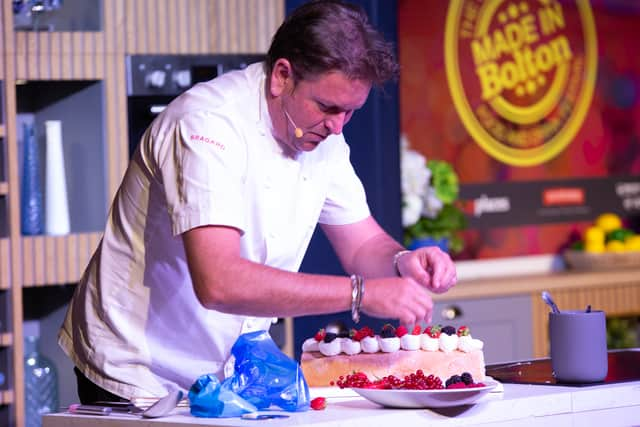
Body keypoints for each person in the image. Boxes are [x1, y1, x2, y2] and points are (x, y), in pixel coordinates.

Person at [59, 0, 457, 404]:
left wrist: (399, 261)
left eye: (350, 113)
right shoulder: (207, 125)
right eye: (328, 107)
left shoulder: (324, 136)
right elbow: (219, 281)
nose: (338, 126)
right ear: (282, 76)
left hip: (223, 368)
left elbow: (363, 244)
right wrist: (361, 294)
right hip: (137, 368)